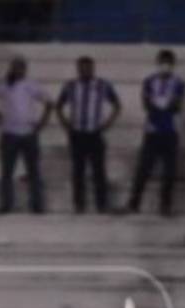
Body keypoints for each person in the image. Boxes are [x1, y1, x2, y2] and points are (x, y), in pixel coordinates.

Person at [0, 57, 51, 215]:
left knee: (33, 171)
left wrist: (42, 123)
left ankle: (37, 205)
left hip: (29, 133)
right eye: (15, 67)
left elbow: (49, 102)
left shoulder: (32, 85)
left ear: (25, 69)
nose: (18, 70)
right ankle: (6, 204)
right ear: (11, 68)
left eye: (21, 67)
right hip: (9, 133)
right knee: (7, 171)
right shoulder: (4, 84)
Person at [56, 56, 121, 214]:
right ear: (78, 69)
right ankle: (79, 205)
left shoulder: (103, 85)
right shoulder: (70, 85)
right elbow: (58, 106)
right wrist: (66, 125)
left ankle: (102, 205)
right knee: (78, 171)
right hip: (77, 134)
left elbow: (117, 105)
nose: (85, 70)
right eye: (82, 68)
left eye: (88, 67)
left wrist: (107, 124)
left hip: (95, 134)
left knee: (99, 171)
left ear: (93, 68)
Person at [127, 49, 185, 216]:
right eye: (162, 62)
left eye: (168, 63)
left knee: (170, 171)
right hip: (152, 131)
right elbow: (146, 104)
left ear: (173, 65)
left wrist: (159, 103)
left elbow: (176, 106)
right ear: (157, 63)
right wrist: (163, 104)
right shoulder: (148, 81)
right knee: (143, 168)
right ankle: (134, 202)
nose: (164, 66)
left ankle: (165, 205)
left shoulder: (179, 82)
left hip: (170, 131)